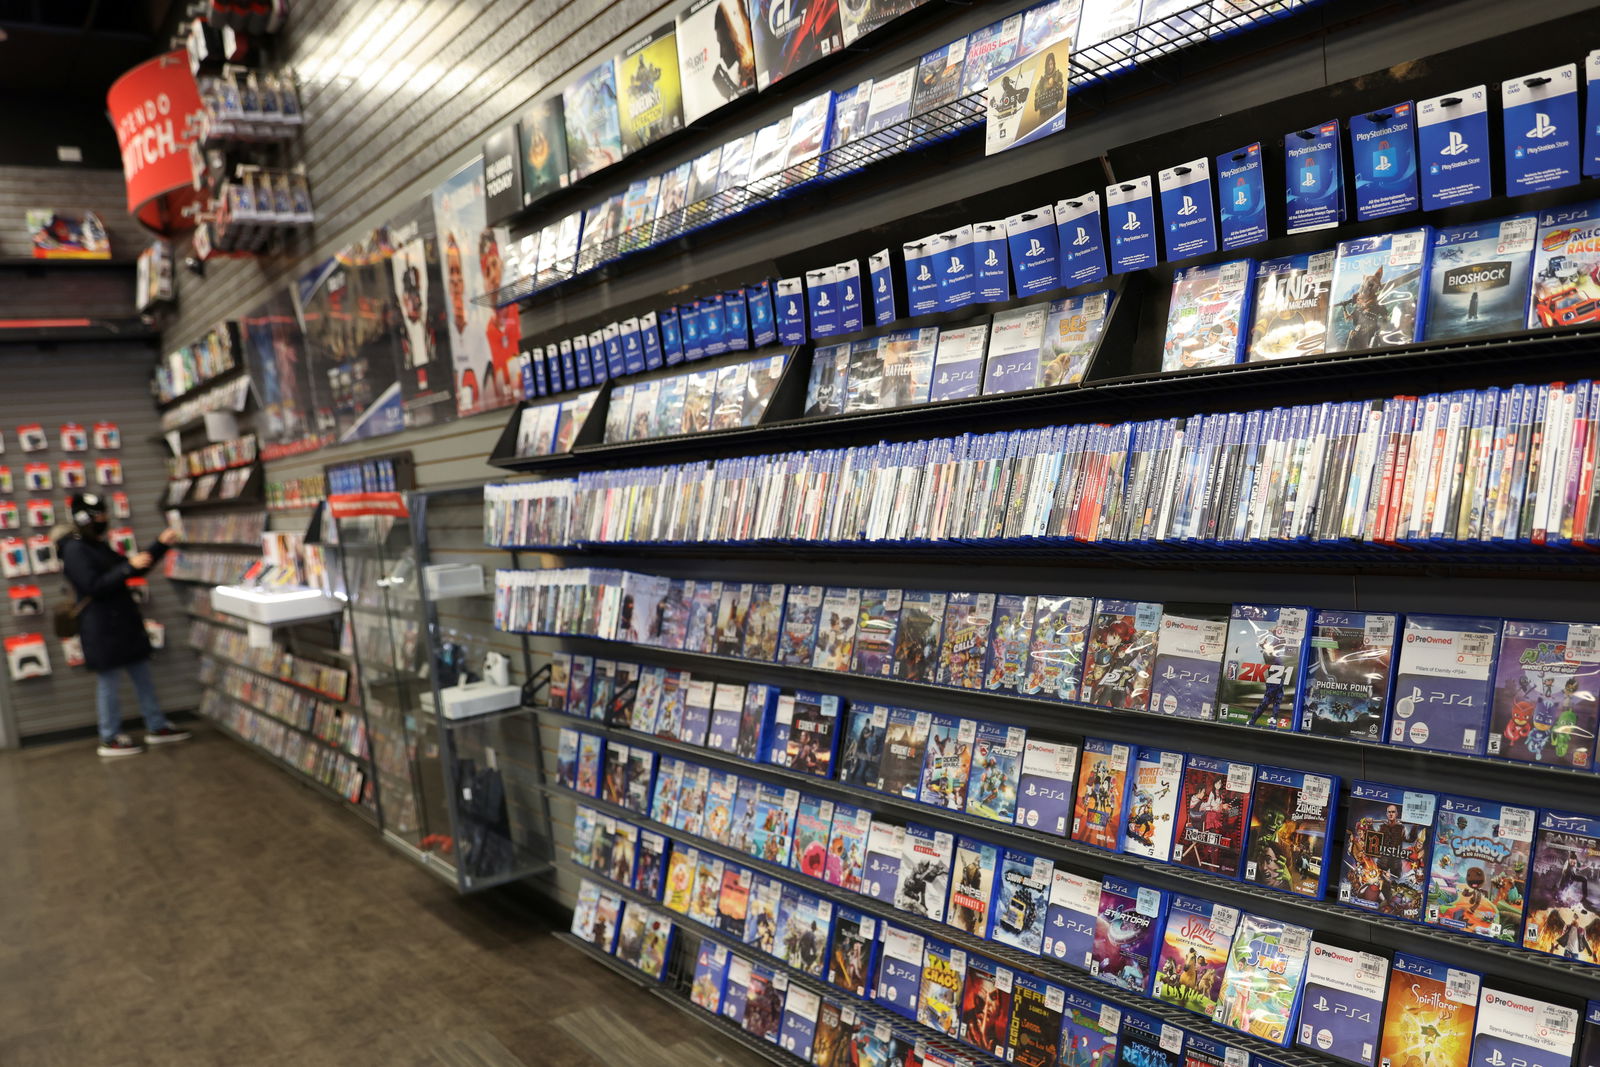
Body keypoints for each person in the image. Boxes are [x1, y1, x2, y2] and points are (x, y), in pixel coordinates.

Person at [58, 493, 189, 757]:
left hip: (123, 624)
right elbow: (93, 585)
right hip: (101, 626)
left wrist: (159, 546)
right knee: (108, 682)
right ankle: (109, 737)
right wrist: (127, 568)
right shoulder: (75, 549)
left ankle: (156, 725)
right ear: (85, 519)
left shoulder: (95, 545)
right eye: (99, 516)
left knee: (142, 676)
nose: (104, 520)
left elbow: (132, 568)